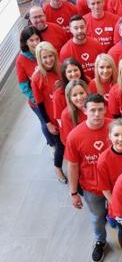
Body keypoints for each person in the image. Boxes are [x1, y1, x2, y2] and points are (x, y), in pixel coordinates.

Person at [65, 94, 111, 262]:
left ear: (105, 109)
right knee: (97, 217)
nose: (97, 114)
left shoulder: (115, 128)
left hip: (116, 186)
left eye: (100, 109)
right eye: (92, 110)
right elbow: (73, 166)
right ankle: (100, 241)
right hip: (92, 188)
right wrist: (73, 193)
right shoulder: (75, 136)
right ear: (84, 111)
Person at [97, 118, 122, 262]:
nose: (120, 139)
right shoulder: (104, 160)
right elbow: (106, 190)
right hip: (119, 205)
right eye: (116, 135)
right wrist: (118, 208)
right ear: (109, 136)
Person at [31, 42, 66, 183]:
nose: (48, 60)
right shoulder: (37, 78)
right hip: (53, 118)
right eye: (44, 57)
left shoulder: (62, 69)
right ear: (39, 59)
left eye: (50, 56)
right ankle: (58, 167)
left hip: (67, 113)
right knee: (60, 145)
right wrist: (48, 123)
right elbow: (39, 103)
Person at [16, 26, 54, 147]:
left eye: (37, 39)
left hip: (53, 96)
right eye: (31, 40)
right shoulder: (21, 60)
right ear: (25, 42)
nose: (36, 43)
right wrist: (36, 100)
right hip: (37, 101)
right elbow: (23, 86)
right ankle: (52, 144)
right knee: (46, 123)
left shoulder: (46, 52)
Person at [59, 15, 104, 79]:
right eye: (76, 28)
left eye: (82, 27)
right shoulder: (65, 51)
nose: (79, 31)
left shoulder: (97, 45)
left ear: (86, 27)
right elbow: (66, 75)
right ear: (71, 30)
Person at [53, 58, 88, 122]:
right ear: (64, 74)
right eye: (69, 72)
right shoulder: (58, 93)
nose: (73, 74)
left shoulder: (88, 82)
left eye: (75, 70)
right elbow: (59, 119)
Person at [60, 79, 88, 145]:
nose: (79, 97)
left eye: (81, 93)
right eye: (74, 95)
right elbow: (69, 140)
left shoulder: (94, 106)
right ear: (69, 98)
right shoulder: (66, 115)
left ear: (87, 93)